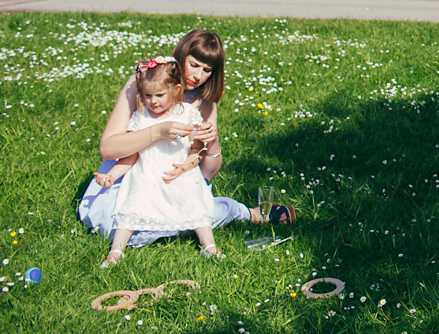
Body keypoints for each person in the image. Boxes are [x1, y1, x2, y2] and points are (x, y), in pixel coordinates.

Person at [78, 29, 295, 253]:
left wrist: (212, 142)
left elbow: (207, 173)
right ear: (181, 56)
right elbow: (108, 148)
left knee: (195, 215)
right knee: (115, 226)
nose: (198, 75)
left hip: (175, 182)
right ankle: (240, 213)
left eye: (206, 70)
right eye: (193, 65)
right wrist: (157, 132)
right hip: (133, 177)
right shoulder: (146, 84)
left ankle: (243, 212)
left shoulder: (204, 102)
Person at [98, 56, 217, 266]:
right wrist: (112, 175)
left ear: (176, 90)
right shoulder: (140, 117)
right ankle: (116, 250)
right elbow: (131, 154)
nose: (153, 101)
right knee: (131, 207)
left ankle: (209, 246)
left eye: (159, 95)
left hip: (178, 172)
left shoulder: (187, 114)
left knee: (195, 203)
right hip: (147, 173)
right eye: (147, 96)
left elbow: (196, 147)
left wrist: (185, 167)